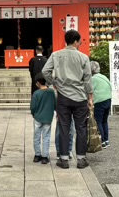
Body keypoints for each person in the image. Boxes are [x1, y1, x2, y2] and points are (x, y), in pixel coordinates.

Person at [42, 29, 93, 169]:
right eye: (80, 41)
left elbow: (45, 71)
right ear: (76, 42)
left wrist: (54, 83)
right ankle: (81, 159)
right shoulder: (83, 57)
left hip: (63, 96)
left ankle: (63, 159)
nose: (80, 43)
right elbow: (87, 79)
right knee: (81, 127)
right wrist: (90, 96)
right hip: (80, 96)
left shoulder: (56, 55)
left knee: (64, 127)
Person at [30, 74, 56, 164]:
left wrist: (33, 113)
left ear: (37, 83)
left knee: (36, 136)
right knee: (46, 137)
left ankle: (37, 155)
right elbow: (55, 103)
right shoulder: (51, 92)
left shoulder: (36, 93)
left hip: (38, 117)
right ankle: (45, 156)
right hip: (48, 117)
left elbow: (33, 107)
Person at [90, 61, 112, 148]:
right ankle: (106, 140)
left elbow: (89, 90)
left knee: (98, 121)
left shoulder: (93, 79)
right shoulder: (104, 76)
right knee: (104, 121)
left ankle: (102, 141)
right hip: (108, 99)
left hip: (99, 101)